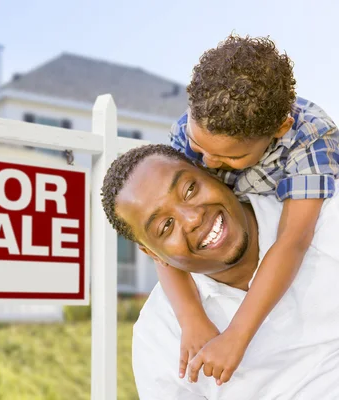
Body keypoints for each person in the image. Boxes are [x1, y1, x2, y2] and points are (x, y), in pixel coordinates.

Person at [161, 34, 339, 384]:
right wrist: (191, 317)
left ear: (279, 129)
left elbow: (293, 240)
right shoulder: (188, 130)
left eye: (231, 156)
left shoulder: (312, 138)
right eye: (199, 146)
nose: (207, 162)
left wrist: (236, 336)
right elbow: (156, 234)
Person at [101, 144, 339, 399]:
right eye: (166, 226)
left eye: (190, 189)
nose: (192, 218)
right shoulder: (160, 335)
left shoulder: (325, 217)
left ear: (211, 172)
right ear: (153, 254)